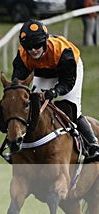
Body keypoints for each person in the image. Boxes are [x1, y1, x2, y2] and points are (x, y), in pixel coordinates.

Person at [12, 19, 99, 162]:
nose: (33, 50)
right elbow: (17, 83)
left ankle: (92, 144)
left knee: (72, 109)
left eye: (38, 45)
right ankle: (18, 144)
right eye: (29, 47)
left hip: (68, 70)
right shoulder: (23, 55)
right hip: (43, 72)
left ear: (45, 42)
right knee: (31, 106)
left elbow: (67, 82)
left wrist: (54, 92)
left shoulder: (63, 51)